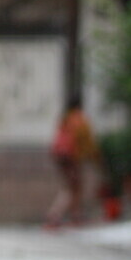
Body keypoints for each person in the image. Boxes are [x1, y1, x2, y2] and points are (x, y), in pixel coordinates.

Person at [45, 96, 98, 229]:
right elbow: (87, 142)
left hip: (60, 156)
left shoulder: (65, 119)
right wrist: (94, 157)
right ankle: (58, 215)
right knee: (75, 187)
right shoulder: (79, 119)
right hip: (71, 156)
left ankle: (72, 215)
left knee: (72, 186)